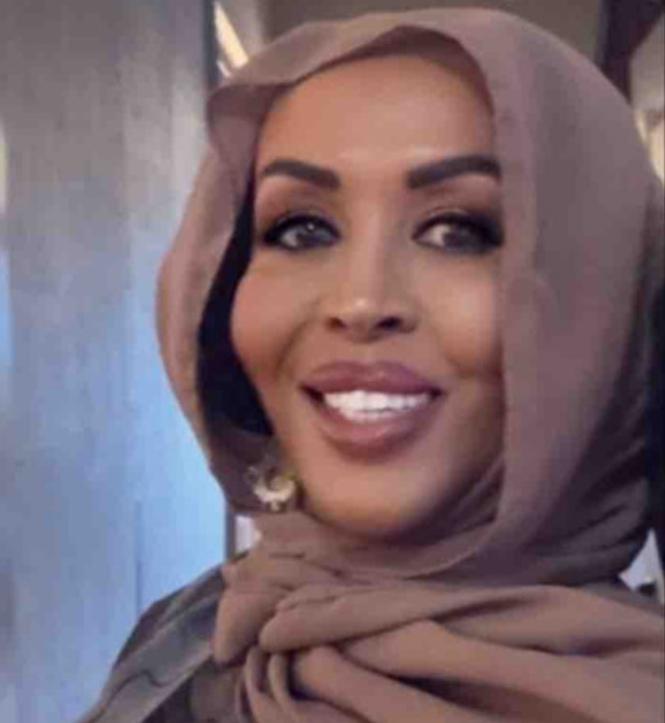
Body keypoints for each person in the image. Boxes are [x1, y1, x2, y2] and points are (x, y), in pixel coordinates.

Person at [79, 7, 664, 722]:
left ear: (600, 308)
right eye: (303, 229)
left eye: (457, 231)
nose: (360, 301)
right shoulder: (182, 642)